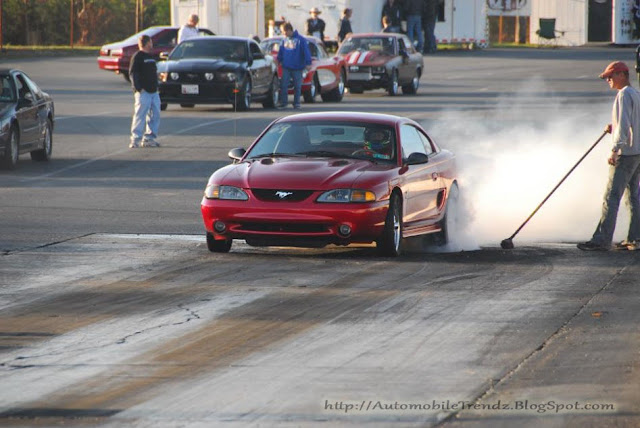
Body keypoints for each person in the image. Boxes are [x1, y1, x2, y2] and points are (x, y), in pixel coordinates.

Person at [577, 61, 640, 251]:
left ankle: (601, 240)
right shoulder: (636, 94)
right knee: (634, 197)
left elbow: (624, 125)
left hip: (625, 153)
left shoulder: (623, 95)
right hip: (637, 152)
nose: (608, 80)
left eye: (610, 77)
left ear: (622, 74)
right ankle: (635, 238)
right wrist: (614, 126)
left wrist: (615, 149)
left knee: (611, 197)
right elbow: (631, 122)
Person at [129, 35, 161, 148]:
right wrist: (138, 88)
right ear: (147, 43)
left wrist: (157, 85)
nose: (151, 44)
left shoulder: (150, 57)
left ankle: (149, 139)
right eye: (150, 42)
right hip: (144, 92)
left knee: (155, 115)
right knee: (140, 115)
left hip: (154, 91)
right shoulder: (138, 56)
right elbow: (133, 73)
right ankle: (135, 139)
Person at [277, 22, 312, 109]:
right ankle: (284, 103)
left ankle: (296, 103)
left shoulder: (301, 40)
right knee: (284, 85)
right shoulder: (284, 40)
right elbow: (281, 51)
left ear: (289, 30)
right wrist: (279, 59)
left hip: (297, 67)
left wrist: (308, 63)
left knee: (297, 86)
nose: (283, 33)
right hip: (286, 66)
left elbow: (306, 52)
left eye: (284, 31)